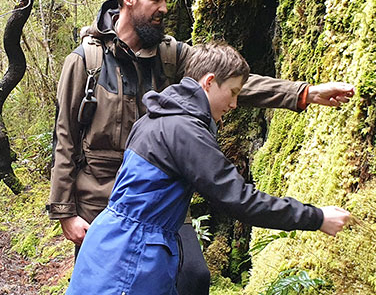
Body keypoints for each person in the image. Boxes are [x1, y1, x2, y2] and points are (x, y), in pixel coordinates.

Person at [47, 0, 355, 294]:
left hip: (168, 195)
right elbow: (65, 137)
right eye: (157, 0)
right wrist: (65, 211)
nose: (165, 8)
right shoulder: (86, 61)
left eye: (166, 1)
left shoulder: (170, 54)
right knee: (106, 278)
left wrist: (303, 93)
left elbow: (228, 80)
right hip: (100, 199)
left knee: (193, 275)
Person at [65, 42, 352, 295]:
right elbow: (239, 200)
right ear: (210, 82)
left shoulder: (156, 117)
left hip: (110, 246)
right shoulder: (185, 130)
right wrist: (316, 217)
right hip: (133, 258)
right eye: (233, 92)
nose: (235, 103)